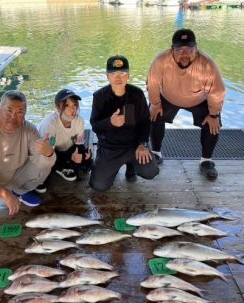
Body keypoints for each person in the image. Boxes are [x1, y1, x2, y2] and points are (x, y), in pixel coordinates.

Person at [0, 90, 56, 230]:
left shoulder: (29, 129)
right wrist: (4, 194)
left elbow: (41, 156)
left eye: (20, 112)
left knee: (44, 159)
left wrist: (48, 152)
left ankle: (19, 191)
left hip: (15, 174)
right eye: (9, 110)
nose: (13, 116)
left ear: (24, 115)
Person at [147, 28, 226, 180]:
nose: (185, 54)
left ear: (196, 49)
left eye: (190, 49)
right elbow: (152, 84)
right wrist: (155, 104)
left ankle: (206, 161)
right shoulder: (160, 61)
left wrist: (214, 114)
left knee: (213, 124)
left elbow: (217, 90)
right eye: (180, 49)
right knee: (154, 115)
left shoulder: (208, 64)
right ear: (172, 50)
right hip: (168, 96)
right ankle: (156, 153)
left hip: (199, 99)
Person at [89, 55, 159, 192]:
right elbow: (95, 126)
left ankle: (131, 165)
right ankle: (110, 167)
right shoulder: (99, 97)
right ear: (107, 76)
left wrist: (142, 144)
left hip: (133, 146)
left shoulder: (137, 94)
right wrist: (110, 122)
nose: (118, 77)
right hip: (110, 147)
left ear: (128, 75)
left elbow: (145, 122)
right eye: (113, 73)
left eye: (122, 73)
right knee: (98, 186)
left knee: (151, 171)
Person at [37, 89, 92, 192]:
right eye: (67, 105)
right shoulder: (50, 124)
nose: (73, 109)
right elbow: (47, 152)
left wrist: (81, 155)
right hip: (44, 151)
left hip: (64, 149)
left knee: (85, 160)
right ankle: (55, 168)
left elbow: (79, 144)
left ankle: (62, 164)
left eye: (75, 105)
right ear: (58, 107)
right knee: (46, 161)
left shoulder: (79, 121)